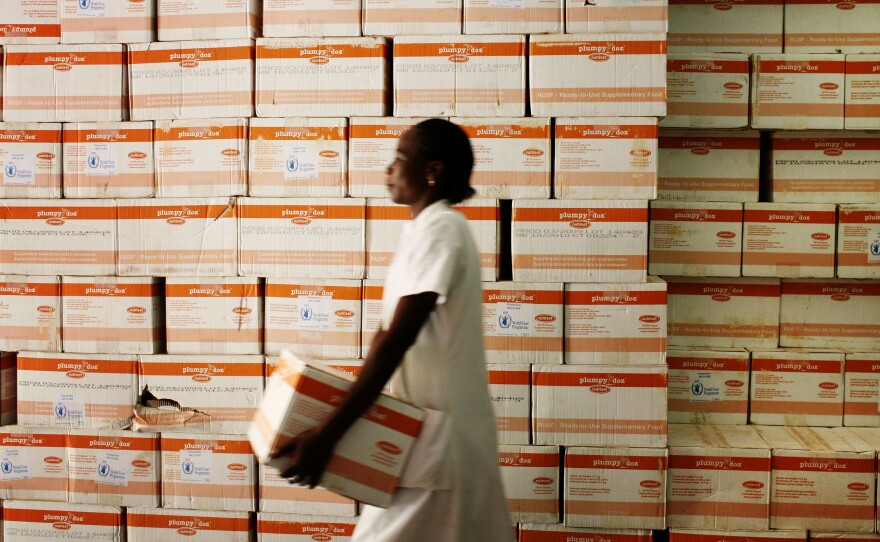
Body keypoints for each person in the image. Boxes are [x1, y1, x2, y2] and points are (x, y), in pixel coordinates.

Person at [271, 118, 515, 541]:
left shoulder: (442, 229)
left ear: (432, 171)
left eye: (400, 158)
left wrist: (329, 433)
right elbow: (387, 336)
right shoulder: (426, 231)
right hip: (425, 443)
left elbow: (396, 339)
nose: (389, 169)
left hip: (440, 450)